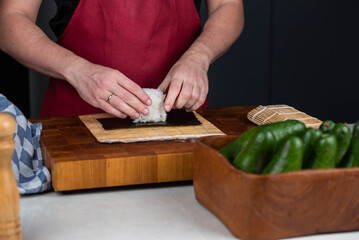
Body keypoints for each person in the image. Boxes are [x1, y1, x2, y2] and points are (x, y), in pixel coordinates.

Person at [0, 0, 244, 119]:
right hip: (76, 123)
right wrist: (77, 70)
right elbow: (10, 19)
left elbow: (227, 5)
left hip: (180, 118)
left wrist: (199, 56)